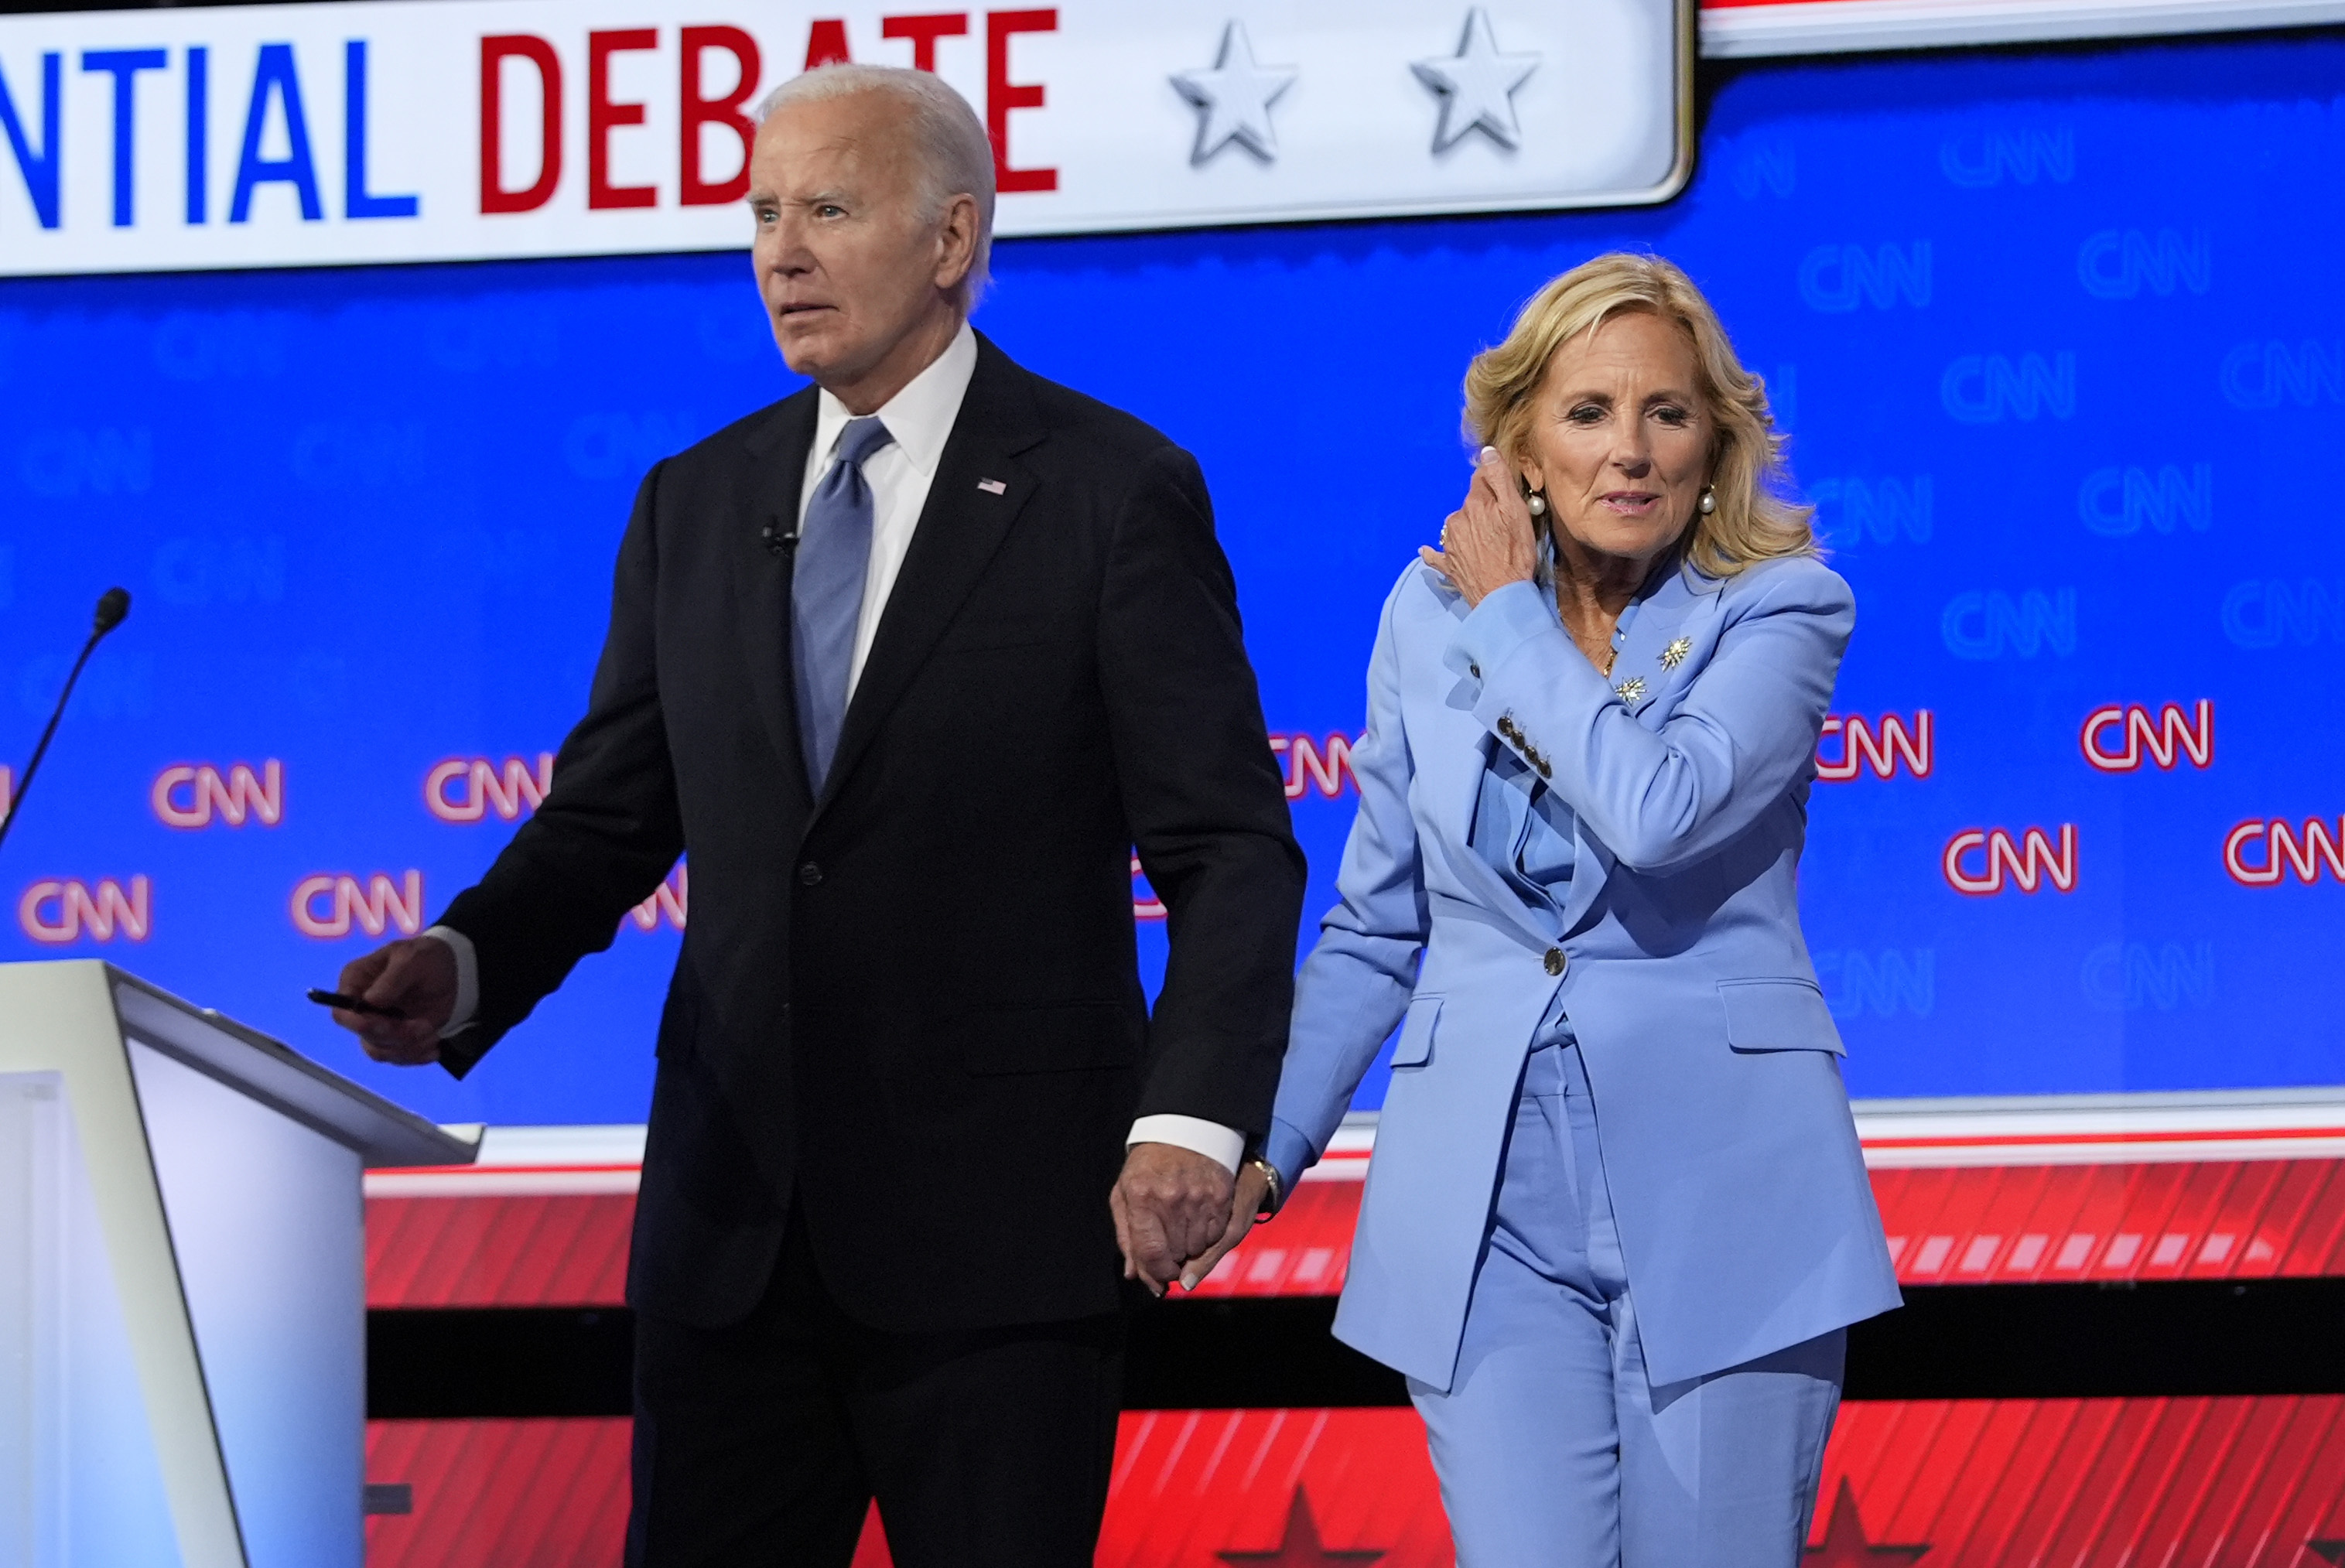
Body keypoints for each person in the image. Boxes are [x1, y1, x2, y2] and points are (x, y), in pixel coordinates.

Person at [329, 63, 1304, 1568]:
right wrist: (467, 962)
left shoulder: (1110, 491)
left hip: (1001, 1242)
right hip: (730, 1242)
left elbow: (1228, 850)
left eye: (829, 210)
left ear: (951, 240)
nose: (782, 252)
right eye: (764, 212)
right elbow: (607, 819)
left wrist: (1185, 1121)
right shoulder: (692, 501)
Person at [1191, 253, 1900, 1563]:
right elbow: (1378, 925)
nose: (1628, 453)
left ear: (1715, 440)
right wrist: (1263, 1146)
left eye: (1666, 414)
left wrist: (1515, 616)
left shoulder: (1783, 607)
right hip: (1483, 1208)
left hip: (1729, 1197)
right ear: (1518, 442)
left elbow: (1658, 811)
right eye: (1587, 414)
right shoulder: (1423, 611)